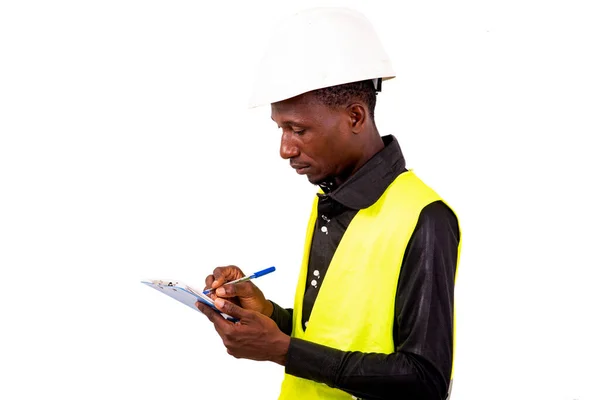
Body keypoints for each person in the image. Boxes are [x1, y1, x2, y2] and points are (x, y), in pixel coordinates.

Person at [195, 7, 461, 400]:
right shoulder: (332, 199)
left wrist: (282, 351)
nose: (285, 148)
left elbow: (425, 380)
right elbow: (326, 336)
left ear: (355, 116)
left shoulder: (424, 218)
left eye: (298, 129)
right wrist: (265, 314)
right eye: (281, 128)